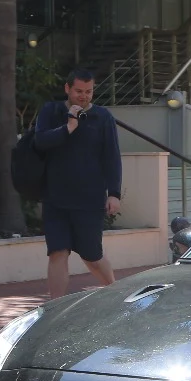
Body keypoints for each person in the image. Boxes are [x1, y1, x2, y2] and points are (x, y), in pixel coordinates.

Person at [33, 67, 123, 300]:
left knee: (91, 255)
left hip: (89, 199)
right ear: (67, 89)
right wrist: (68, 128)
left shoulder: (103, 118)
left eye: (88, 91)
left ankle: (115, 294)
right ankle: (55, 308)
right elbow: (40, 141)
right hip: (55, 198)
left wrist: (114, 193)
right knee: (57, 252)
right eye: (78, 91)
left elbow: (111, 157)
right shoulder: (50, 111)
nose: (83, 96)